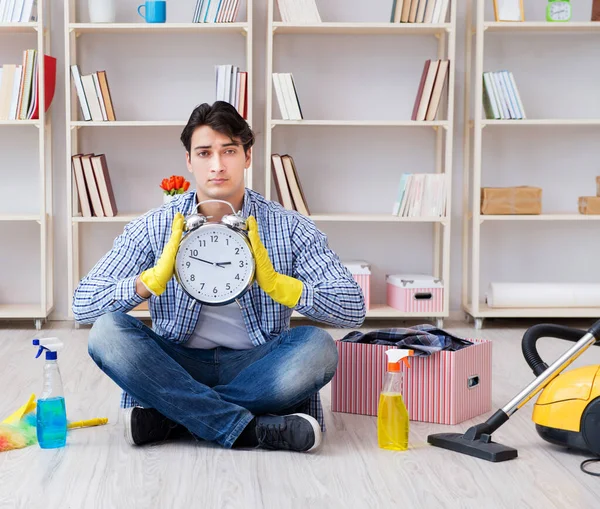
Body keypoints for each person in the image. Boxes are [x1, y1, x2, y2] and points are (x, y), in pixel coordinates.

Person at [72, 101, 366, 453]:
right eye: (204, 152)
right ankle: (249, 429)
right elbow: (82, 305)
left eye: (228, 151)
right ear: (188, 161)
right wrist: (146, 282)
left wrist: (281, 286)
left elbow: (353, 308)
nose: (217, 165)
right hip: (177, 364)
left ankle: (174, 417)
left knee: (317, 348)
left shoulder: (288, 226)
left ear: (247, 156)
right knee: (107, 332)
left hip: (258, 365)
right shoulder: (156, 225)